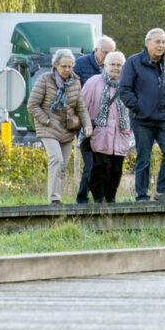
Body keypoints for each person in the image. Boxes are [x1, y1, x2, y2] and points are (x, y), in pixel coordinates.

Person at [120, 28, 165, 201]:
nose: (161, 45)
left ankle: (162, 191)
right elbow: (124, 89)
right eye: (157, 41)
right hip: (142, 120)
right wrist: (138, 107)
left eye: (163, 42)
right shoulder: (133, 62)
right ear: (147, 43)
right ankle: (142, 195)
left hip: (164, 119)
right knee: (144, 159)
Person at [26, 48, 87, 204]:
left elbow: (80, 107)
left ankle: (57, 197)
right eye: (63, 66)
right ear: (55, 65)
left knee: (63, 165)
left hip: (67, 129)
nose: (67, 70)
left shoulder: (75, 82)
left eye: (69, 66)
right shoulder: (44, 79)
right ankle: (54, 199)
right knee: (56, 159)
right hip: (48, 127)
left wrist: (87, 125)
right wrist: (46, 120)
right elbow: (32, 105)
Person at [80, 50, 132, 203]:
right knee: (101, 166)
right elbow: (81, 105)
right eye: (112, 64)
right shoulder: (94, 81)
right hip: (99, 132)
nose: (116, 68)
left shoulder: (127, 84)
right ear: (104, 65)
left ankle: (110, 198)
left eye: (119, 65)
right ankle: (98, 198)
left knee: (116, 169)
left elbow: (132, 107)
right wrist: (85, 125)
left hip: (121, 133)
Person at [72, 35, 116, 205]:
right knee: (90, 163)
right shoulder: (81, 65)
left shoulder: (115, 68)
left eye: (112, 52)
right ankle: (82, 199)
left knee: (106, 164)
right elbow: (74, 92)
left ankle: (102, 198)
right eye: (105, 52)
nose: (109, 56)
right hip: (86, 123)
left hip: (107, 124)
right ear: (96, 50)